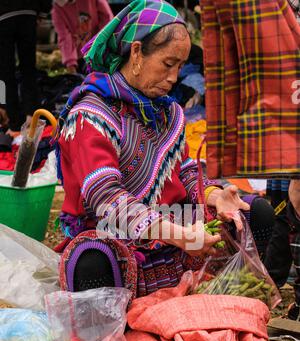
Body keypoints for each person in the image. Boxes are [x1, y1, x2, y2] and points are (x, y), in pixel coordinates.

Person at [55, 0, 275, 299]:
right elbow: (106, 200)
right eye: (167, 64)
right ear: (136, 53)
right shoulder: (91, 115)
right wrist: (181, 236)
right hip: (116, 235)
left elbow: (183, 172)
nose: (173, 78)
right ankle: (115, 331)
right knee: (92, 261)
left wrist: (215, 195)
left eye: (180, 67)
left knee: (253, 212)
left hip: (173, 226)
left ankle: (235, 300)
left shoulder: (169, 113)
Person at [0, 1, 52, 135]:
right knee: (28, 69)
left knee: (5, 72)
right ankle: (31, 116)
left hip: (3, 16)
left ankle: (13, 123)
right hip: (28, 11)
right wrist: (43, 12)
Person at [52, 0, 113, 74]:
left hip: (102, 50)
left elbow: (107, 20)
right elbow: (65, 38)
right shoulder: (57, 10)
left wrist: (101, 46)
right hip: (81, 57)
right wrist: (70, 63)